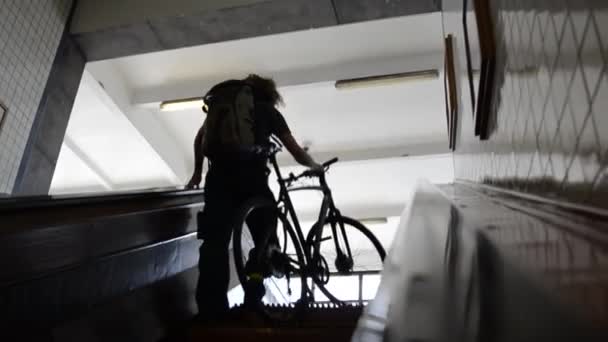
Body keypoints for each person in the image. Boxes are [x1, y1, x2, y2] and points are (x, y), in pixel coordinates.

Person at [186, 74, 322, 320]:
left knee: (215, 244)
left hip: (218, 181)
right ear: (269, 95)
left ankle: (211, 310)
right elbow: (294, 149)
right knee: (265, 239)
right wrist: (314, 164)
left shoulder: (224, 107)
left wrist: (197, 172)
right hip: (253, 182)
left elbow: (200, 138)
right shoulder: (268, 111)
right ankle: (254, 296)